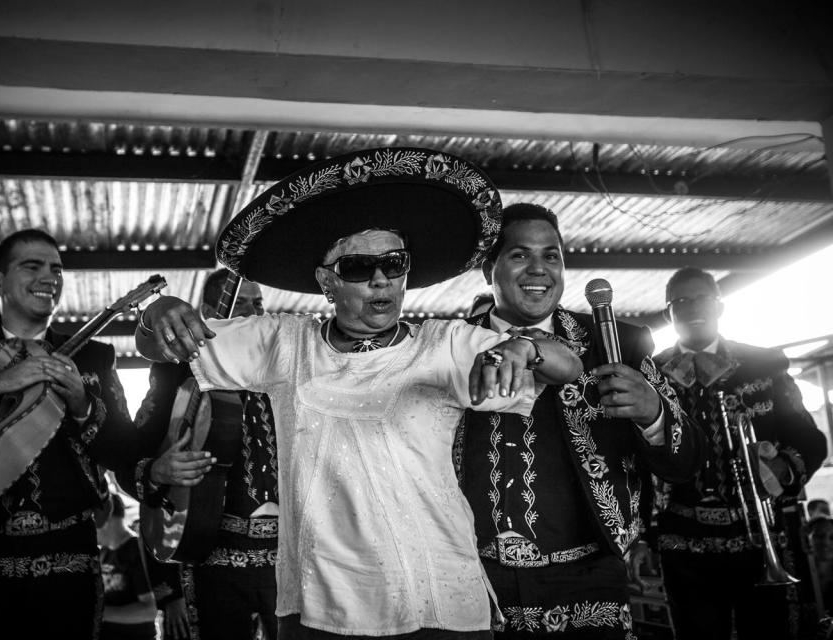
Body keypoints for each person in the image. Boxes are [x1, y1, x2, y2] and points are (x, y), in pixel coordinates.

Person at [133, 147, 584, 638]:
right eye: (358, 268)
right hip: (322, 604)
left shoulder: (446, 344)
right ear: (327, 281)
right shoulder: (283, 343)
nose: (379, 279)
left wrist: (526, 347)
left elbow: (569, 366)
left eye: (394, 263)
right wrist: (155, 315)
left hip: (438, 596)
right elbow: (166, 346)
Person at [0, 229, 183, 640]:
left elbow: (124, 453)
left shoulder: (95, 358)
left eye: (56, 269)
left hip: (68, 565)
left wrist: (83, 405)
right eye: (32, 266)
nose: (49, 277)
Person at [458, 203, 704, 639]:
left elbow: (686, 465)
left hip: (590, 579)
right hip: (471, 579)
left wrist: (654, 413)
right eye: (520, 255)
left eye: (551, 256)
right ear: (487, 269)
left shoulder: (616, 343)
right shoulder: (450, 348)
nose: (539, 270)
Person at [635, 266, 827, 640]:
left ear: (720, 306)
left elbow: (808, 440)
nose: (693, 308)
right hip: (682, 542)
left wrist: (780, 466)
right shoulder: (649, 373)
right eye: (681, 302)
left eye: (702, 298)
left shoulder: (765, 364)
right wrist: (641, 533)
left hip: (759, 536)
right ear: (668, 314)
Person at [124, 268, 276, 640]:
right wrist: (157, 471)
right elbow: (131, 460)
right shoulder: (177, 371)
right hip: (209, 557)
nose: (254, 314)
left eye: (259, 304)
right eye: (241, 305)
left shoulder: (286, 369)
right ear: (209, 311)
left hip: (284, 562)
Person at [97, 493, 157, 640]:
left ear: (106, 516)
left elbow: (149, 610)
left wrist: (98, 613)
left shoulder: (137, 549)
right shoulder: (104, 552)